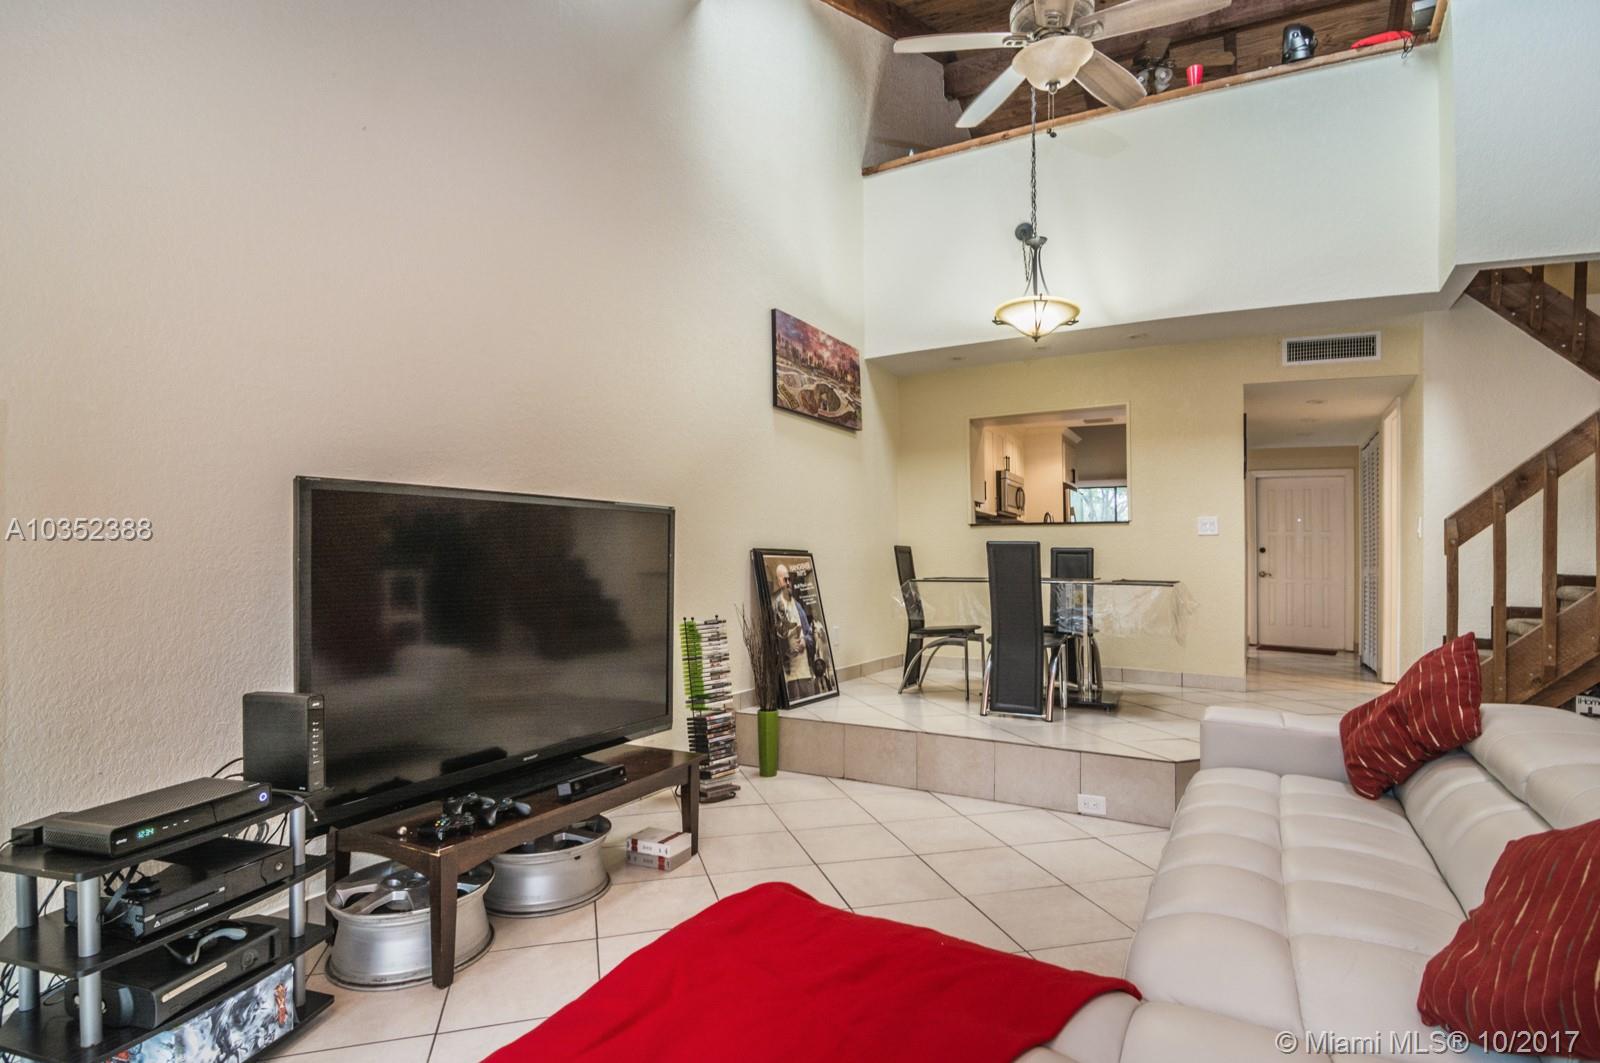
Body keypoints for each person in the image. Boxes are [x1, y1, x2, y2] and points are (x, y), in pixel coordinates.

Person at [770, 563, 820, 700]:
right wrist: (788, 646)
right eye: (785, 580)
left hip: (805, 668)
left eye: (789, 579)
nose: (788, 583)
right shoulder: (776, 607)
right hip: (789, 673)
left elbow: (809, 633)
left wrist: (805, 641)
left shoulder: (797, 605)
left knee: (810, 700)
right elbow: (775, 640)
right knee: (795, 701)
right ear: (778, 582)